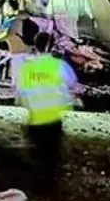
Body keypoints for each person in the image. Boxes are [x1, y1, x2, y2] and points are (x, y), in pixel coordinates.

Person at [15, 32, 80, 184]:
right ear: (51, 47)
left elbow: (19, 92)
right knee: (52, 152)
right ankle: (50, 180)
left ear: (35, 46)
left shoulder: (27, 68)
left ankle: (40, 179)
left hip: (35, 117)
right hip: (54, 117)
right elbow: (72, 84)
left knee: (39, 151)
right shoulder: (59, 65)